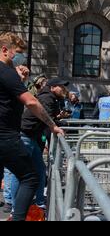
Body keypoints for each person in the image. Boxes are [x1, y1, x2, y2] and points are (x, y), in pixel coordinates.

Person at [0, 32, 64, 221]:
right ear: (5, 50)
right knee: (31, 177)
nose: (20, 58)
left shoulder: (8, 73)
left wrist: (19, 77)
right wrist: (52, 126)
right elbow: (32, 103)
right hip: (6, 136)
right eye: (17, 53)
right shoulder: (5, 72)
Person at [5, 78, 69, 212]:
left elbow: (47, 116)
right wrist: (54, 126)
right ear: (52, 87)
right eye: (61, 86)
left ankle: (39, 202)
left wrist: (56, 120)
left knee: (39, 170)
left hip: (31, 137)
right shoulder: (47, 98)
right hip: (25, 136)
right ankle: (15, 206)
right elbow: (44, 116)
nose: (64, 89)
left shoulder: (50, 98)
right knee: (21, 173)